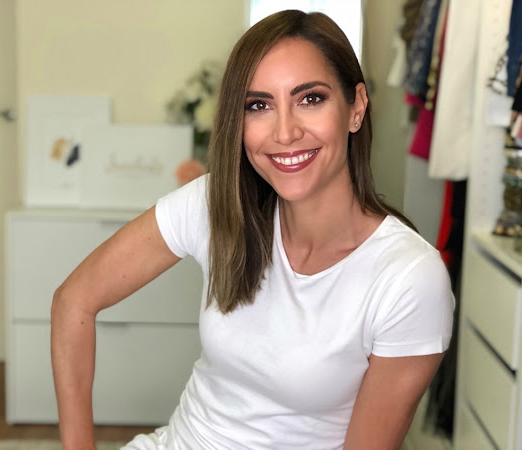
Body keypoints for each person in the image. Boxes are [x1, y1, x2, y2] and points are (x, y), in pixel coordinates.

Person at [51, 10, 454, 450]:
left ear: (356, 107)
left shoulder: (408, 277)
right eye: (259, 106)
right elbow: (74, 300)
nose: (285, 132)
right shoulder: (216, 204)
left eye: (310, 99)